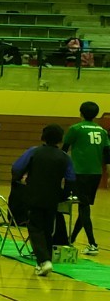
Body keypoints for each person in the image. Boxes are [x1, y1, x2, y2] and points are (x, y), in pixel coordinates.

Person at [20, 125, 73, 277]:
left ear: (43, 137)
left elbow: (17, 167)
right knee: (48, 230)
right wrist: (63, 195)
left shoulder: (33, 151)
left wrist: (21, 180)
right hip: (53, 198)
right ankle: (44, 261)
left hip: (34, 196)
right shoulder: (65, 157)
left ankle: (44, 260)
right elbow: (71, 179)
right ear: (60, 139)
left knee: (35, 228)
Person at [62, 101, 105, 255]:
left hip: (80, 173)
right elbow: (107, 152)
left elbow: (64, 150)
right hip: (96, 173)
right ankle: (71, 239)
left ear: (80, 112)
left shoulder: (76, 128)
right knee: (84, 206)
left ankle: (93, 244)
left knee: (83, 206)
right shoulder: (102, 131)